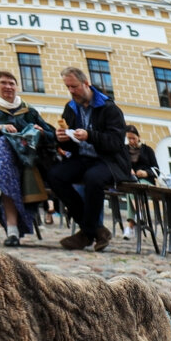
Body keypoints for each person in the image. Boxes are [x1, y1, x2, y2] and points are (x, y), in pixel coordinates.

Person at [48, 66, 131, 252]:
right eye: (67, 87)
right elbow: (71, 144)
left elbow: (116, 143)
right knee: (55, 175)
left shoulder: (109, 108)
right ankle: (96, 230)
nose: (71, 91)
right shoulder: (70, 108)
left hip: (109, 161)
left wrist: (90, 136)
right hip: (83, 158)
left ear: (86, 83)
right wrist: (62, 139)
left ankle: (86, 233)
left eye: (74, 86)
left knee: (93, 178)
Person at [0, 70, 56, 246]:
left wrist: (42, 132)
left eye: (11, 83)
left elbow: (51, 134)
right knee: (4, 142)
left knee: (7, 163)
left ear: (17, 86)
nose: (8, 87)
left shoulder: (27, 110)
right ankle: (12, 230)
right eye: (3, 82)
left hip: (26, 156)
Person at [123, 125, 159, 240]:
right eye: (129, 139)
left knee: (134, 188)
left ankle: (130, 227)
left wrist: (146, 173)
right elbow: (121, 165)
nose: (131, 141)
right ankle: (140, 213)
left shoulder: (147, 150)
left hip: (146, 181)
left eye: (133, 138)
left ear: (139, 137)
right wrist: (128, 170)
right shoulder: (125, 150)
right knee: (131, 188)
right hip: (132, 180)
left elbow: (157, 170)